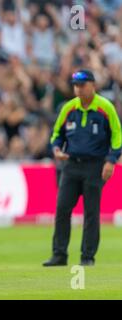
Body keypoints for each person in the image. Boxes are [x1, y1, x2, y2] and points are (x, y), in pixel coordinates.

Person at [43, 69, 122, 267]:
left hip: (95, 166)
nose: (78, 89)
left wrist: (111, 161)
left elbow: (117, 136)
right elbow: (57, 134)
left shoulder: (105, 108)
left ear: (92, 85)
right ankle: (59, 254)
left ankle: (87, 257)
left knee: (91, 213)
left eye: (82, 85)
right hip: (70, 165)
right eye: (76, 85)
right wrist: (55, 149)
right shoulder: (69, 108)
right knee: (62, 209)